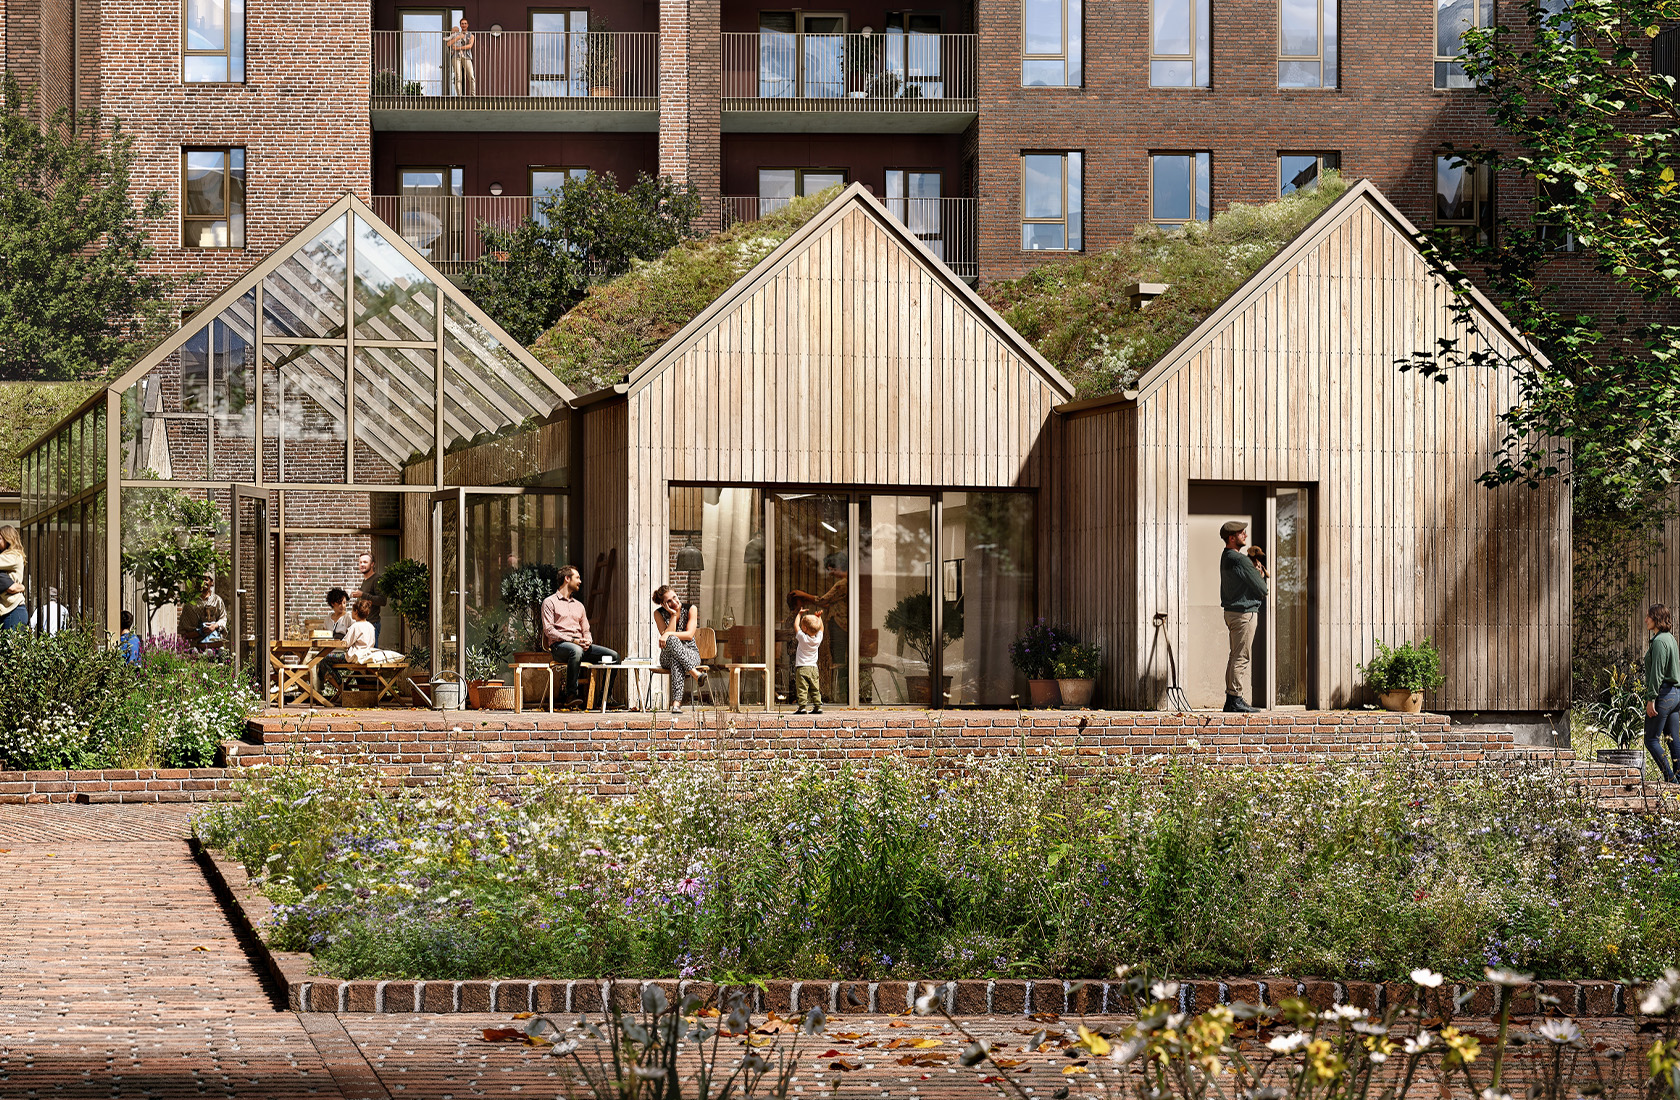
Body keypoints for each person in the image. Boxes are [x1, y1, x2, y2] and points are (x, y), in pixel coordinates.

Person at [541, 564, 617, 705]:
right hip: (560, 647)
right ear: (567, 579)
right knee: (575, 650)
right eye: (577, 578)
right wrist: (573, 640)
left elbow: (586, 630)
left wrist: (588, 640)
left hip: (580, 646)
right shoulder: (549, 602)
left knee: (614, 656)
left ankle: (605, 698)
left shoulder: (579, 605)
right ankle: (571, 695)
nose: (580, 581)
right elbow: (549, 630)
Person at [1218, 519, 1267, 713]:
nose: (1245, 535)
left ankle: (1232, 698)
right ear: (1232, 538)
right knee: (1241, 657)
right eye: (1241, 533)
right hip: (1244, 614)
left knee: (1234, 656)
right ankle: (1235, 699)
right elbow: (1262, 589)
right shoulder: (1240, 559)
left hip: (1231, 613)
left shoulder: (1226, 556)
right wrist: (1259, 575)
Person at [1643, 604, 1680, 784]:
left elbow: (1657, 673)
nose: (1645, 620)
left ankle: (1671, 780)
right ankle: (1678, 780)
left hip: (1663, 694)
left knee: (1651, 740)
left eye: (1648, 617)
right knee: (1673, 740)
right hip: (1675, 694)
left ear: (1656, 618)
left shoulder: (1658, 642)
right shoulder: (1670, 639)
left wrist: (1651, 699)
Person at [652, 584, 702, 715]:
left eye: (674, 597)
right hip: (666, 656)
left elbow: (689, 635)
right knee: (673, 642)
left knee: (677, 659)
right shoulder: (658, 613)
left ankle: (676, 704)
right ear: (663, 604)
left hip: (690, 653)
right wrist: (673, 615)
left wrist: (667, 634)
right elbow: (667, 640)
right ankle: (695, 673)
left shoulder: (691, 608)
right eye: (669, 601)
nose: (674, 602)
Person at [178, 573, 227, 650]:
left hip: (215, 644)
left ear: (212, 582)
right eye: (200, 579)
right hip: (196, 647)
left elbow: (223, 618)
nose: (203, 582)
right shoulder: (190, 603)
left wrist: (214, 626)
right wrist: (200, 632)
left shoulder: (217, 600)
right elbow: (184, 632)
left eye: (206, 579)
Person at [792, 603, 824, 715]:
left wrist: (799, 614)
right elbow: (821, 629)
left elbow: (795, 626)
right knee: (815, 688)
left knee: (802, 688)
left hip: (802, 667)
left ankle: (802, 707)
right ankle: (818, 706)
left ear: (805, 628)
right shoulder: (818, 639)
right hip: (813, 668)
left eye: (802, 626)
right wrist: (819, 618)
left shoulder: (802, 638)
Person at [350, 552, 387, 646]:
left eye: (365, 562)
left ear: (372, 564)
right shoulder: (365, 581)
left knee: (371, 653)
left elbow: (382, 600)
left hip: (372, 624)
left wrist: (362, 594)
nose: (362, 564)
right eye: (360, 562)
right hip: (363, 624)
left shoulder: (377, 579)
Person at [0, 524, 27, 630]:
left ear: (8, 539)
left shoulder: (13, 556)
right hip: (7, 609)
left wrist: (19, 587)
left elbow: (11, 588)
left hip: (13, 609)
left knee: (12, 641)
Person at [446, 18, 476, 96]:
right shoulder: (456, 34)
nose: (464, 25)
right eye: (462, 23)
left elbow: (470, 46)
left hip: (467, 56)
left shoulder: (471, 35)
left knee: (471, 76)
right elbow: (448, 44)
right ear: (460, 25)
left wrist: (458, 48)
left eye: (465, 23)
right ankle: (459, 96)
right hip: (456, 56)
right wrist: (458, 38)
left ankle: (473, 95)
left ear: (467, 25)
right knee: (458, 77)